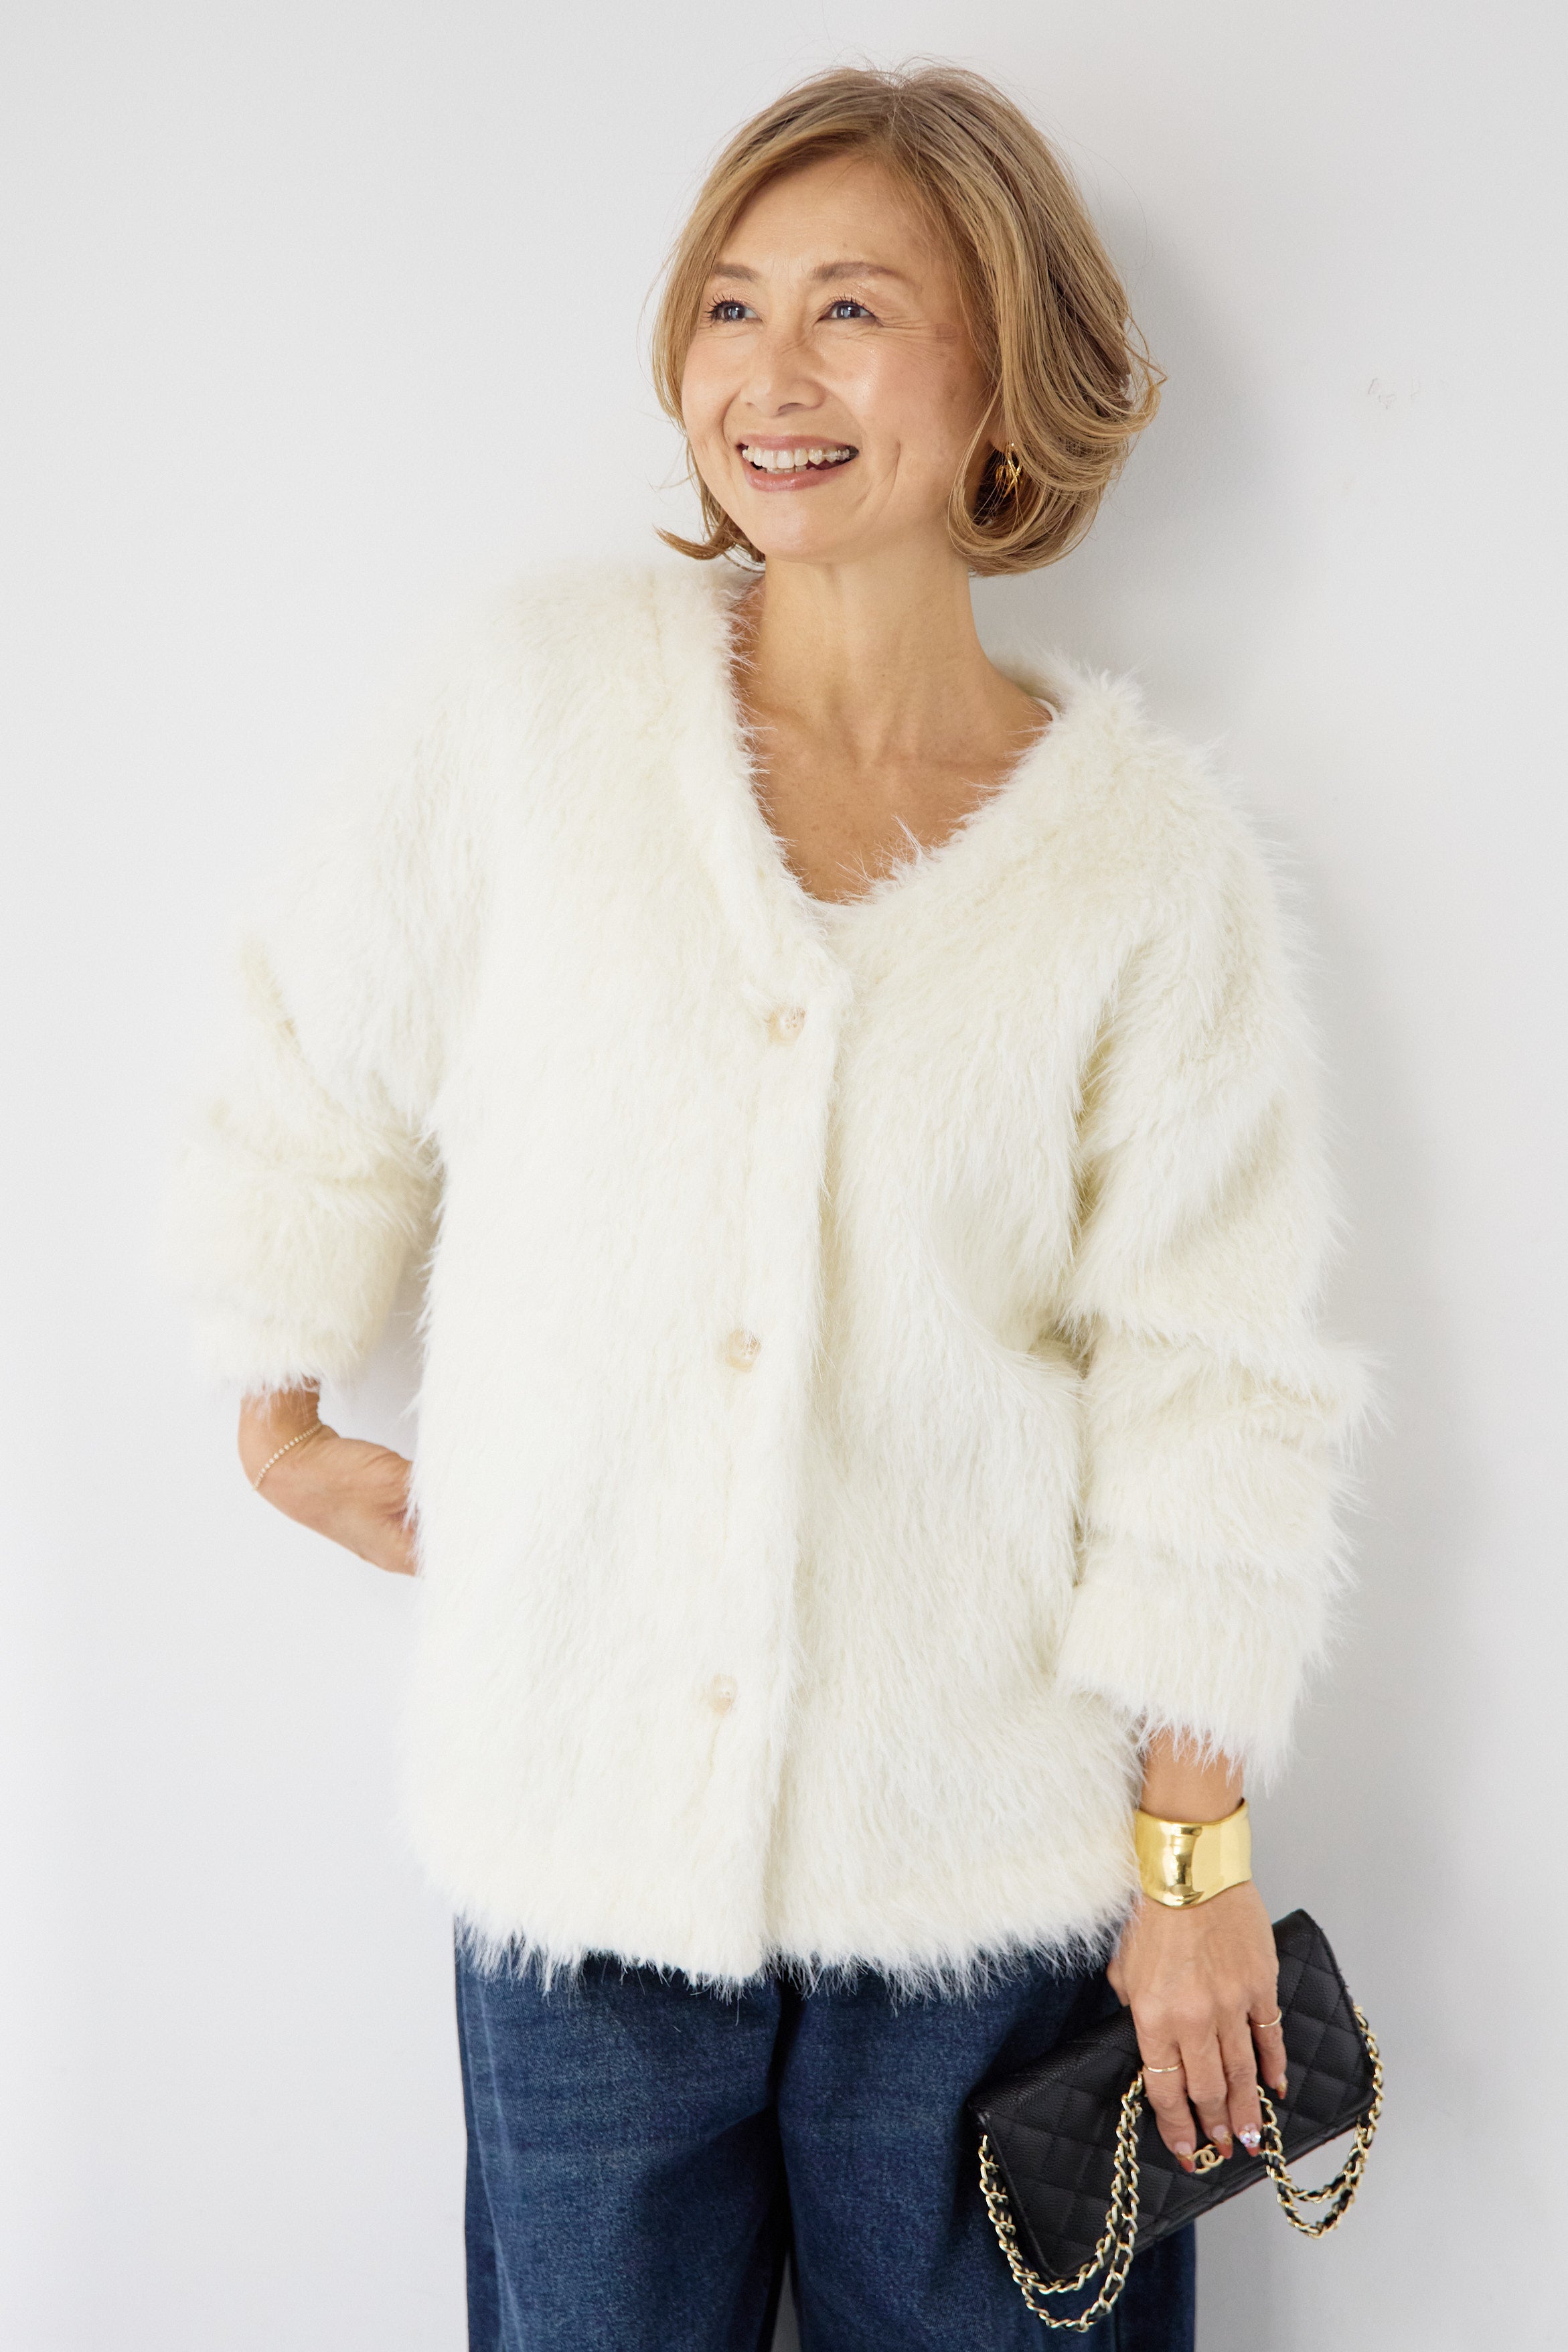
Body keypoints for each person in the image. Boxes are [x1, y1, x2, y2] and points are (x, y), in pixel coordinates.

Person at [170, 62, 1364, 2352]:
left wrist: (1192, 1862)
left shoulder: (1145, 862)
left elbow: (1216, 1380)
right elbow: (309, 1041)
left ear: (1001, 371)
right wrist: (279, 1405)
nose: (770, 376)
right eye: (731, 306)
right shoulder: (533, 711)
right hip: (578, 1849)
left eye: (850, 310)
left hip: (991, 1892)